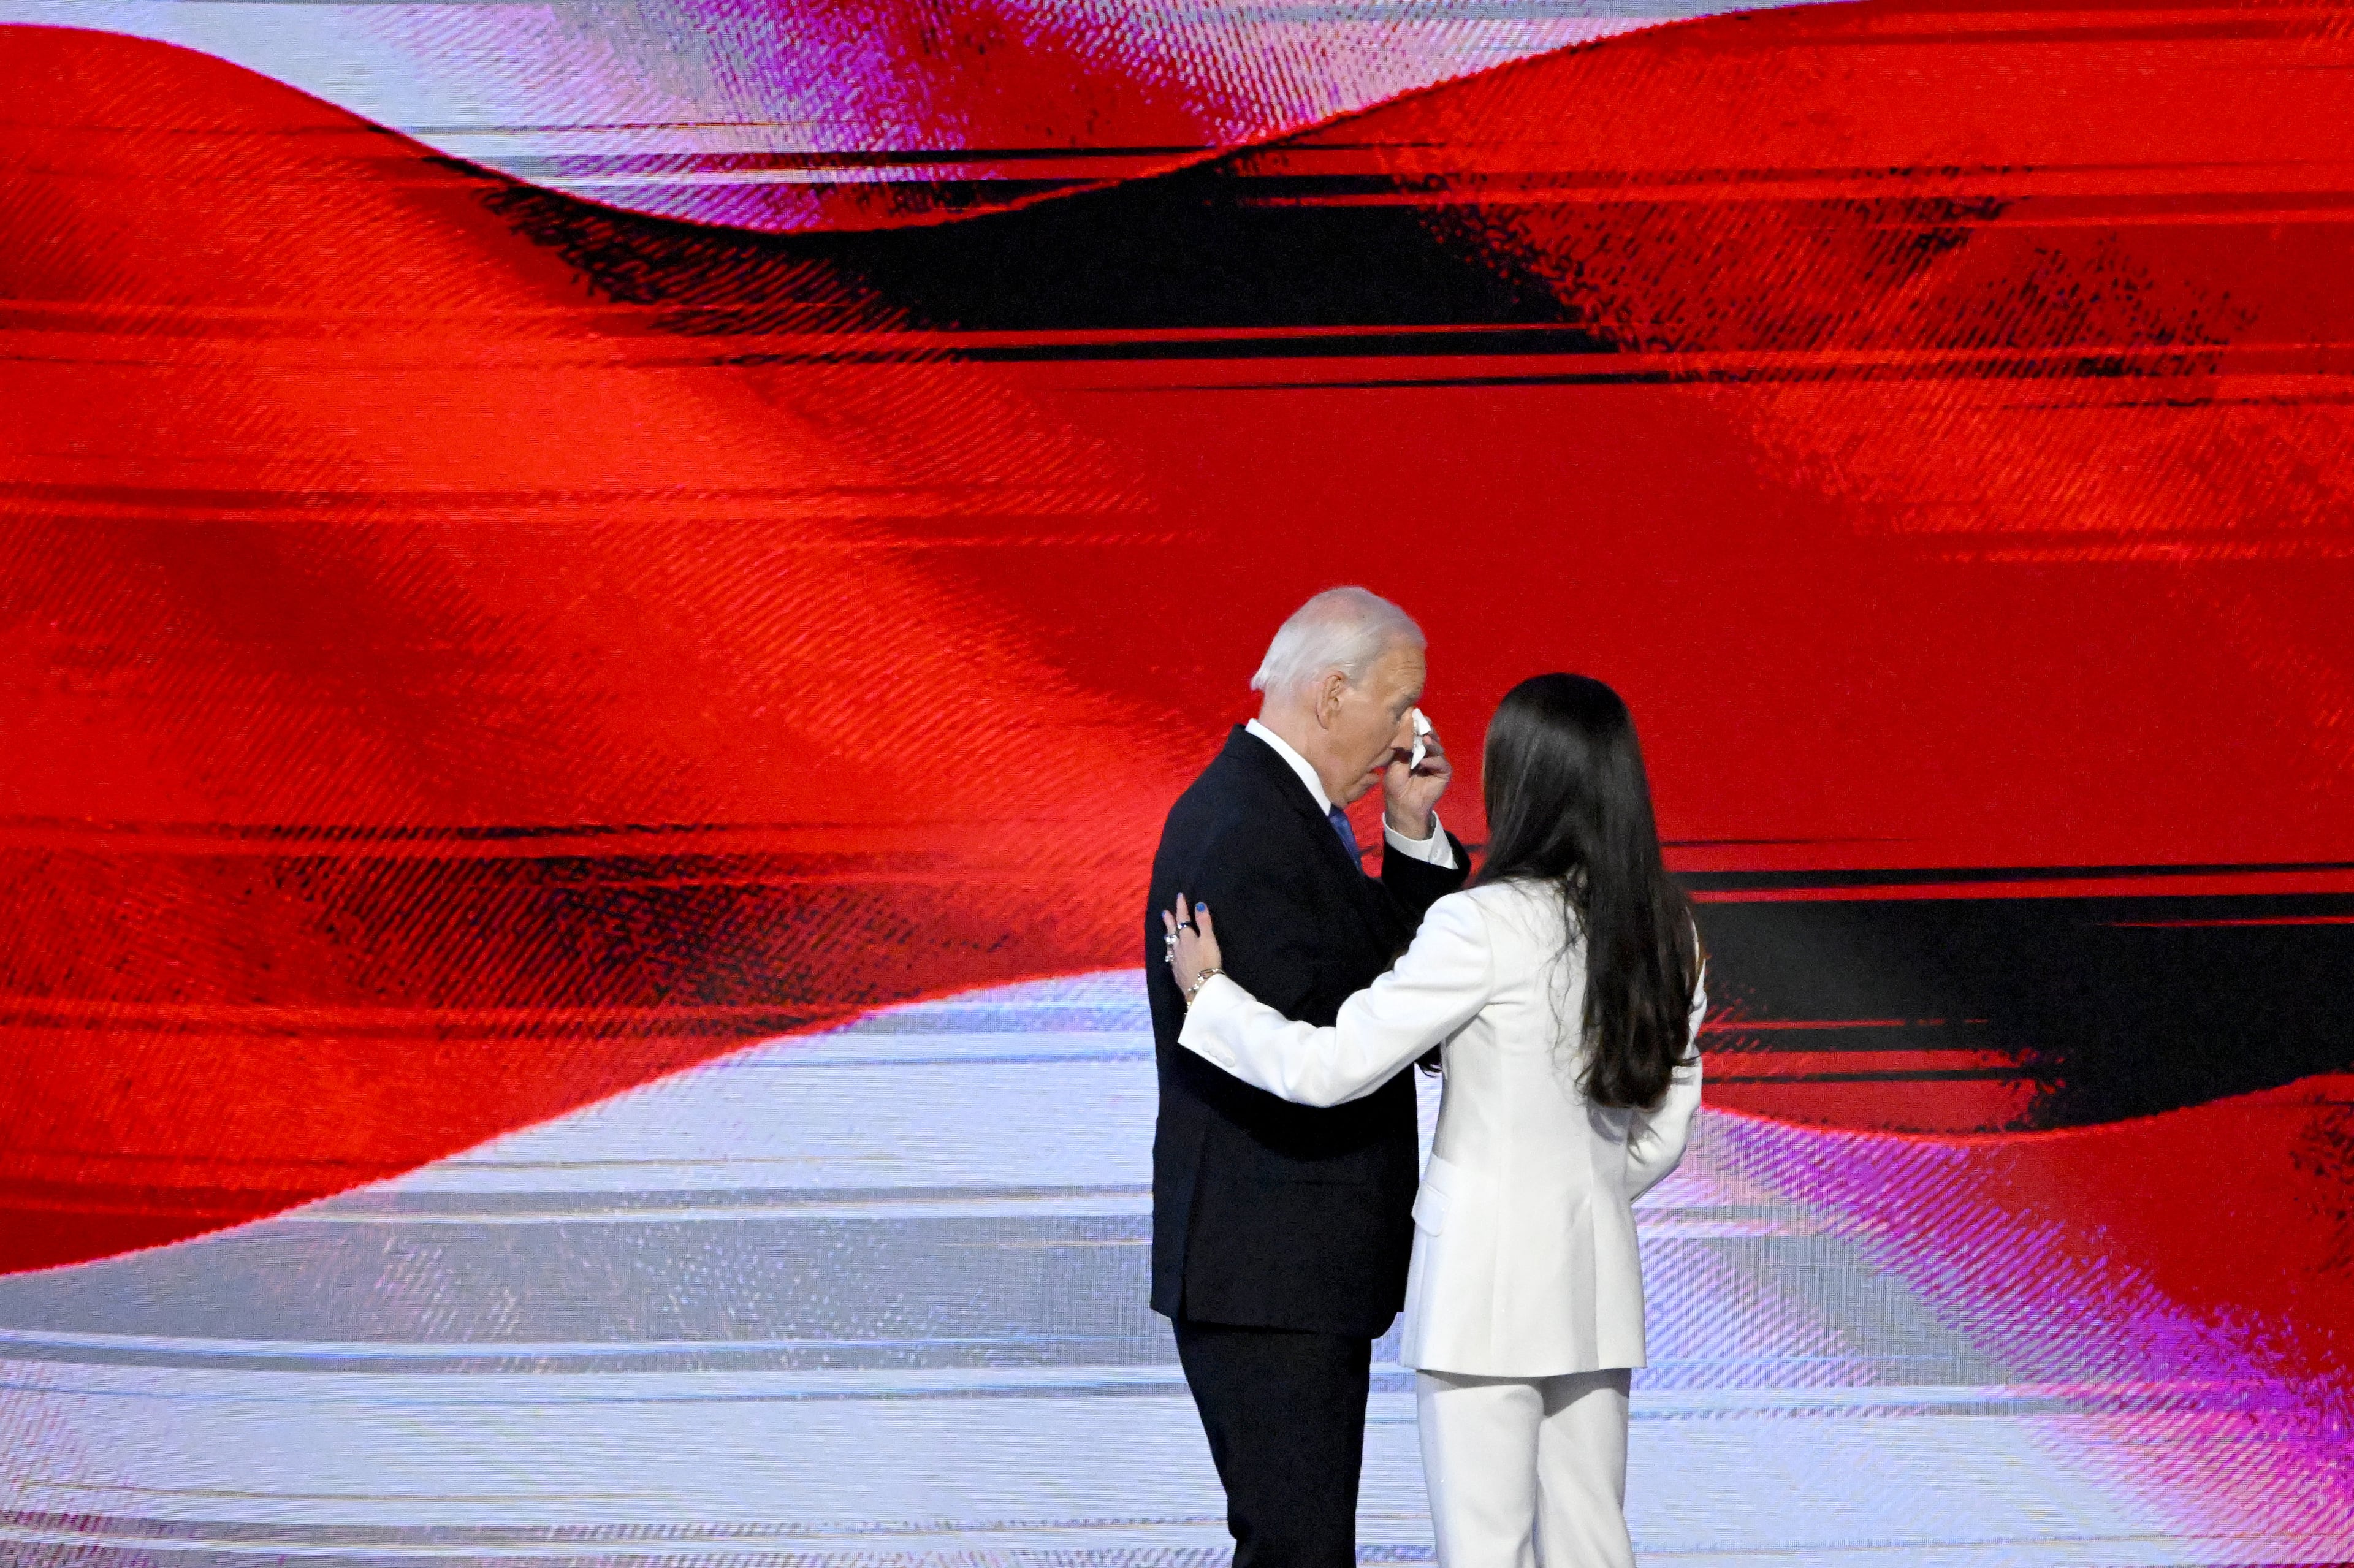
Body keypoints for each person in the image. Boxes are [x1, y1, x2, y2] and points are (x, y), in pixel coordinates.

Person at [1162, 672, 1707, 1568]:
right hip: (1597, 1280)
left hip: (1482, 1289)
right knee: (1593, 1544)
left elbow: (1332, 1066)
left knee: (1486, 1549)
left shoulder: (1482, 924)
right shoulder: (1667, 928)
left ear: (1520, 781)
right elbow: (1663, 1130)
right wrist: (1584, 1191)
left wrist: (1214, 1001)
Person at [1145, 586, 1469, 1568]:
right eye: (1399, 699)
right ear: (1331, 694)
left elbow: (1389, 1000)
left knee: (1301, 1547)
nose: (1412, 729)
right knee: (1298, 1550)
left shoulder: (1289, 812)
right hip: (1269, 1270)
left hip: (1295, 1272)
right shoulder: (1244, 825)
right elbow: (1343, 1038)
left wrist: (1411, 834)